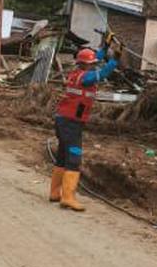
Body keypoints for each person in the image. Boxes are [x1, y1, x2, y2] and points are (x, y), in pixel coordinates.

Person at [50, 34, 121, 212]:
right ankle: (68, 197)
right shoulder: (86, 78)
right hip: (71, 123)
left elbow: (96, 58)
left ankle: (55, 192)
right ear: (85, 64)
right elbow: (102, 73)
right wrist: (115, 59)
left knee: (62, 156)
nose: (94, 64)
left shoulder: (76, 74)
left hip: (63, 119)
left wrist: (106, 46)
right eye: (92, 63)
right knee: (74, 158)